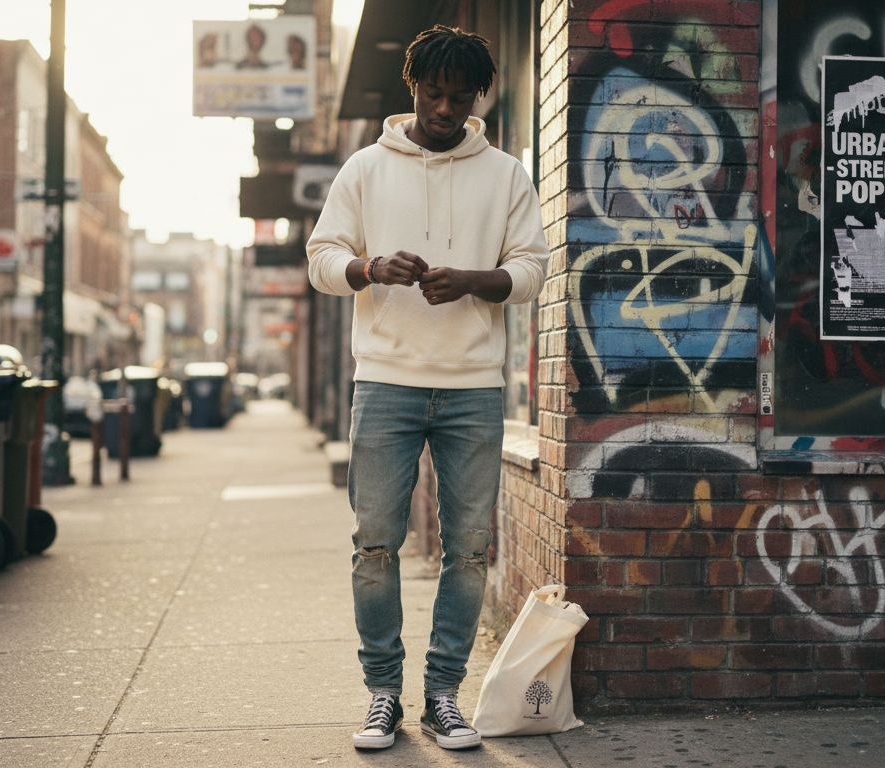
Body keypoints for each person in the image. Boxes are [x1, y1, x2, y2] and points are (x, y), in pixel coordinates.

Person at [306, 25, 546, 752]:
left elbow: (533, 269)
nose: (445, 109)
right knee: (375, 543)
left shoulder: (505, 173)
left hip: (473, 388)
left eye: (458, 97)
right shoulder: (364, 169)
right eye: (433, 94)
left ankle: (443, 694)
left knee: (469, 550)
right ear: (412, 89)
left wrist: (474, 281)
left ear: (477, 98)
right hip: (385, 383)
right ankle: (383, 692)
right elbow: (321, 257)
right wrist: (368, 269)